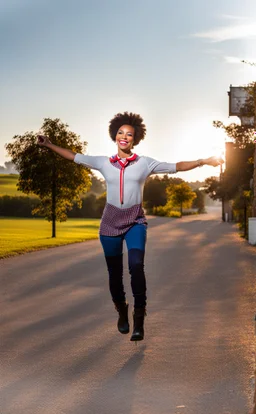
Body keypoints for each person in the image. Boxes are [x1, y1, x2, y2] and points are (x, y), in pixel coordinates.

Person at [37, 111, 223, 342]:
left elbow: (176, 166)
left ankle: (139, 318)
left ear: (135, 139)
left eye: (129, 134)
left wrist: (203, 161)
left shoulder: (145, 163)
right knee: (114, 274)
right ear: (115, 136)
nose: (124, 137)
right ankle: (121, 310)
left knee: (136, 265)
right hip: (110, 223)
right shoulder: (103, 163)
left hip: (135, 221)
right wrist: (50, 145)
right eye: (120, 133)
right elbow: (74, 156)